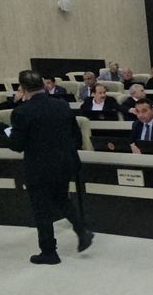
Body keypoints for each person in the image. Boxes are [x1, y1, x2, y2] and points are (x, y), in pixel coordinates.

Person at [8, 70, 93, 264]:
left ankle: (49, 252)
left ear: (22, 88)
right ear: (43, 85)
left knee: (41, 209)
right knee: (62, 199)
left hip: (39, 167)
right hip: (65, 163)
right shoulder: (62, 105)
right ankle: (82, 230)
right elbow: (75, 136)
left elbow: (16, 145)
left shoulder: (21, 112)